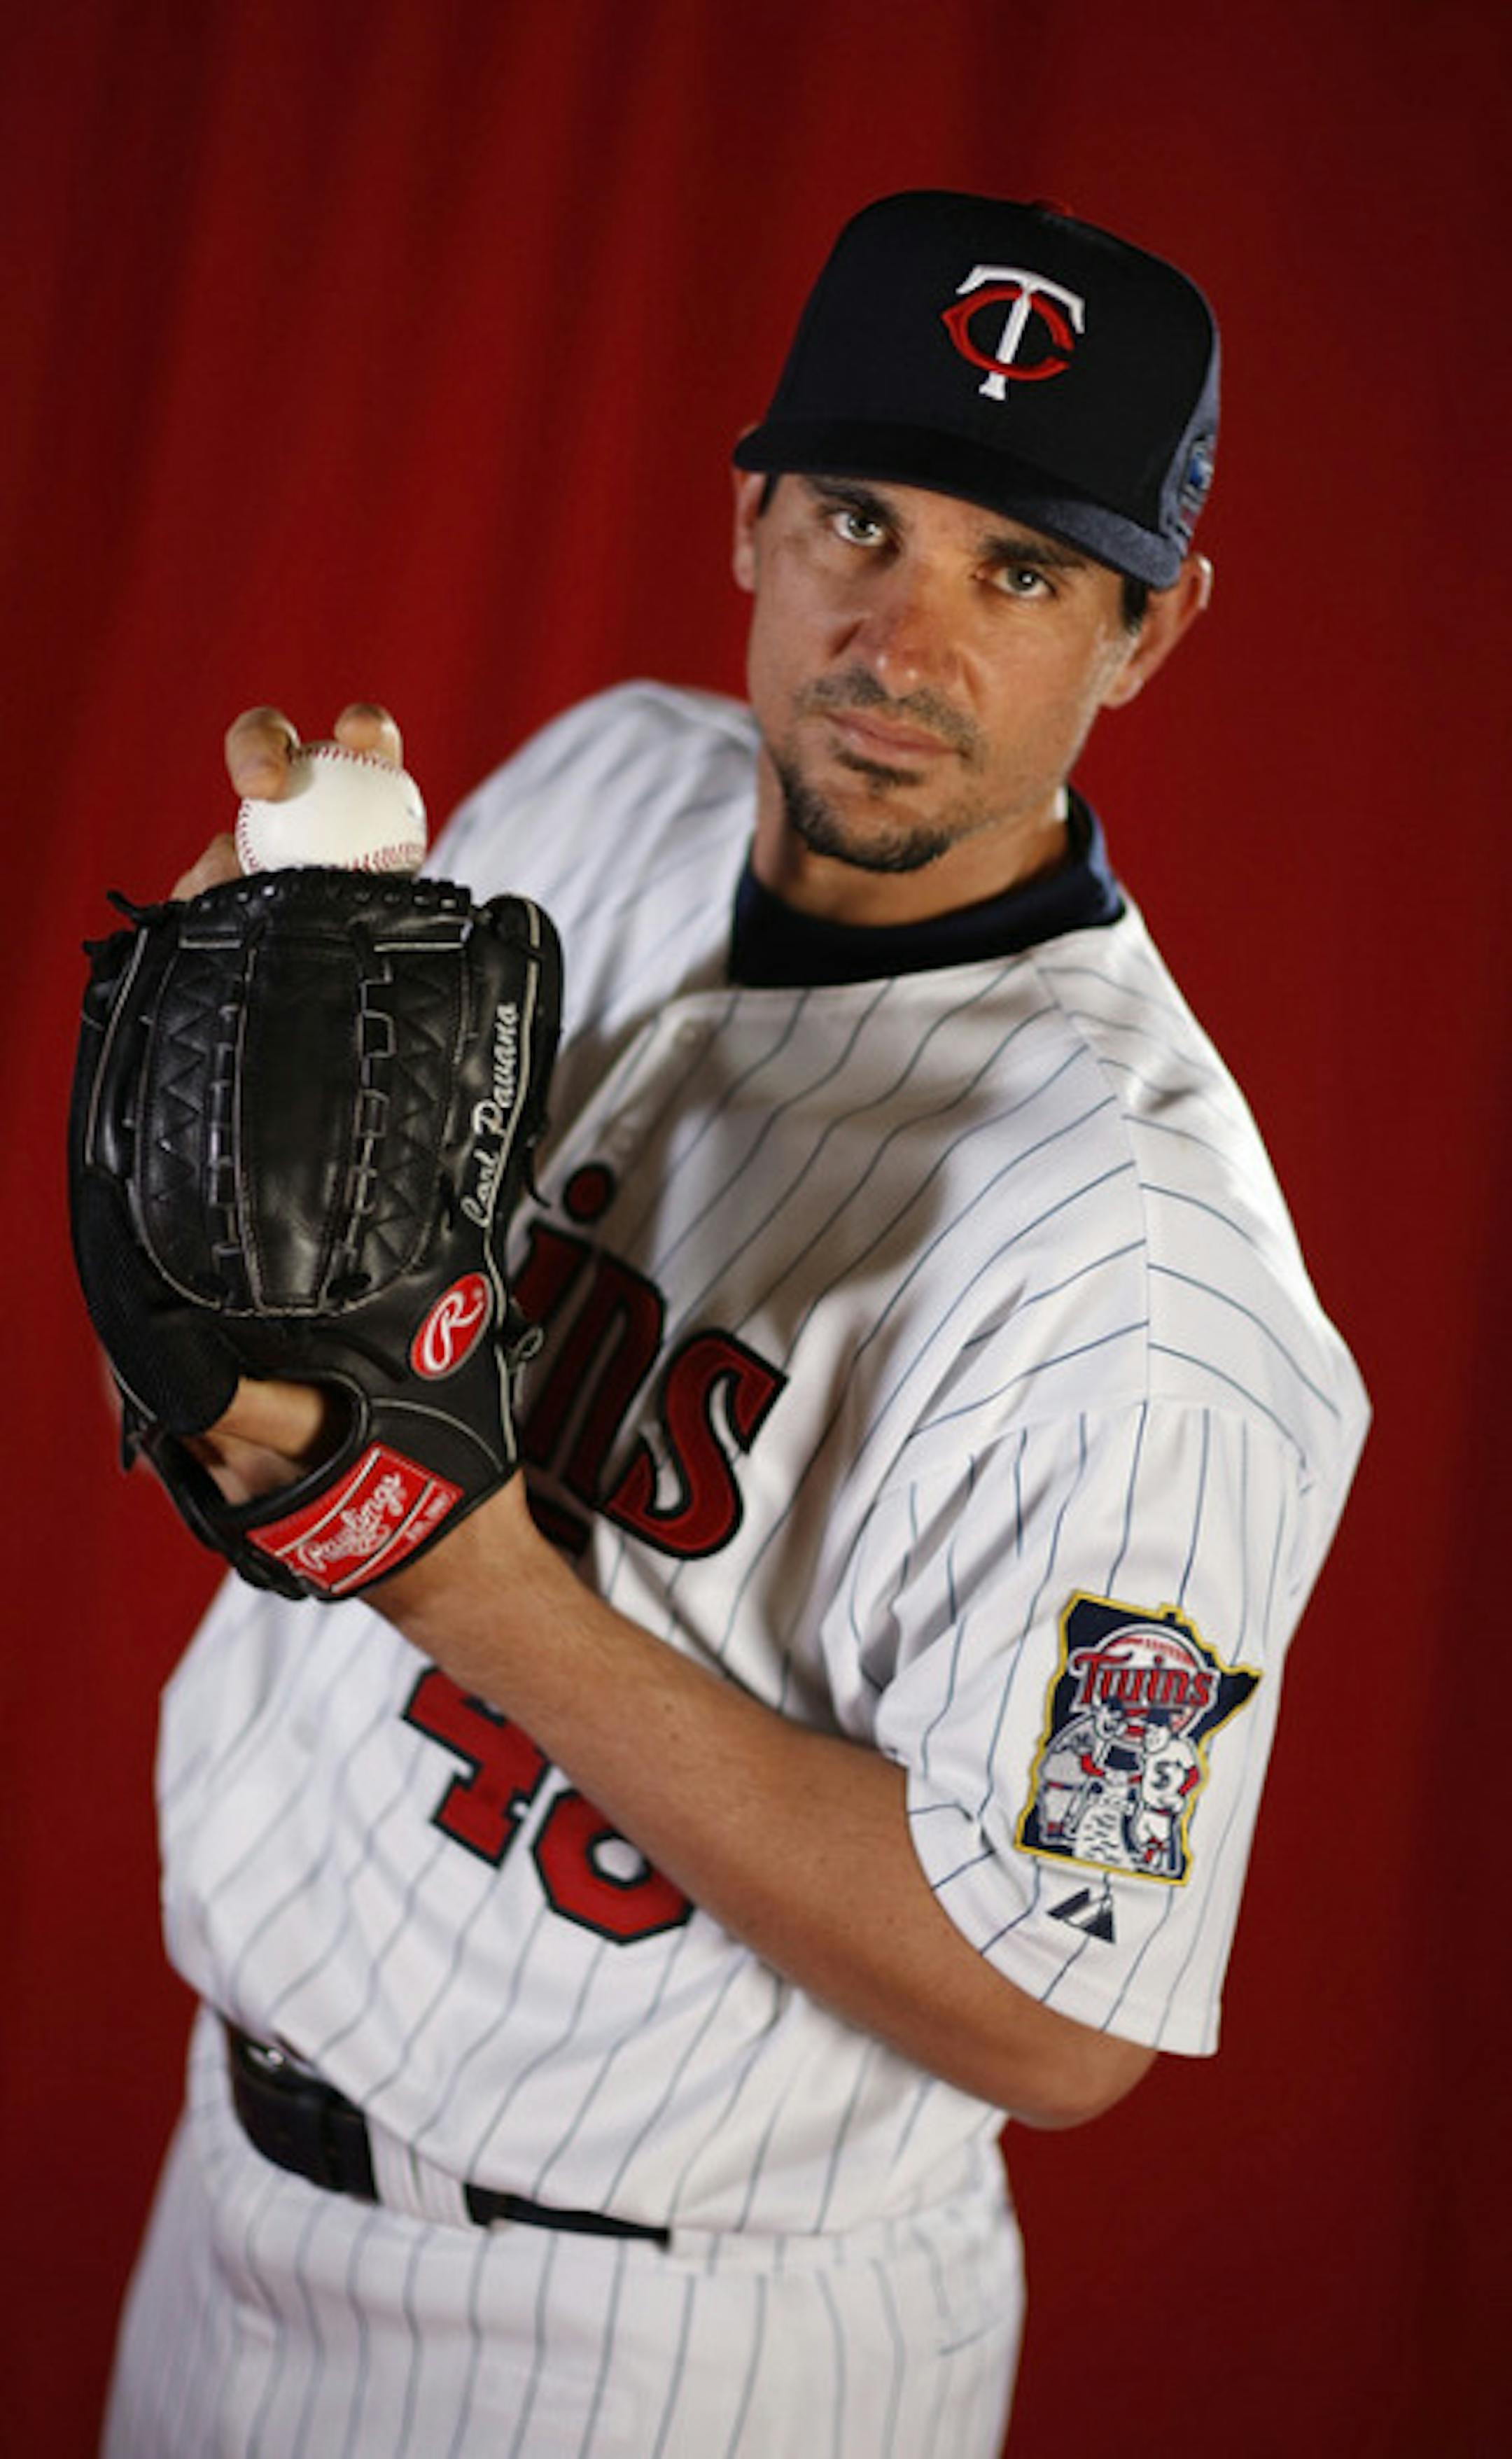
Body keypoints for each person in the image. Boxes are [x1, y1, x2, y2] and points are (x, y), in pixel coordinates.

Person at [103, 190, 1368, 2458]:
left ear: (1150, 633)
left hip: (661, 2357)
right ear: (750, 516)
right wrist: (232, 1249)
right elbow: (346, 1364)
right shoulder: (605, 781)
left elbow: (1060, 2006)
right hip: (224, 2212)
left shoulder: (1157, 1287)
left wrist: (473, 1582)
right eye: (863, 520)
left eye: (1023, 572)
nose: (905, 635)